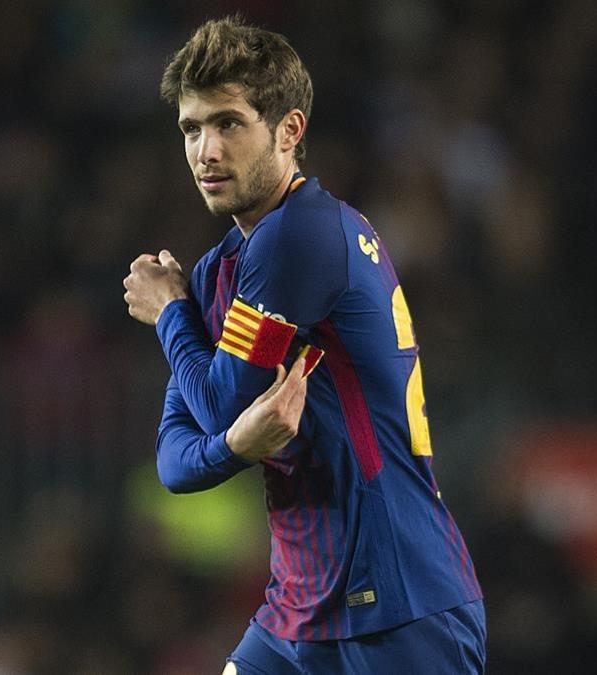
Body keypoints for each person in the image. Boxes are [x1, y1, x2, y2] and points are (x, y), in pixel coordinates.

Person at [122, 16, 485, 674]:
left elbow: (216, 402)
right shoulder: (220, 270)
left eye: (228, 123)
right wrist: (234, 445)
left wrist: (170, 310)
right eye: (192, 128)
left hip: (397, 605)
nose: (206, 150)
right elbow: (176, 461)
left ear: (289, 130)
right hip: (299, 611)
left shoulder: (303, 236)